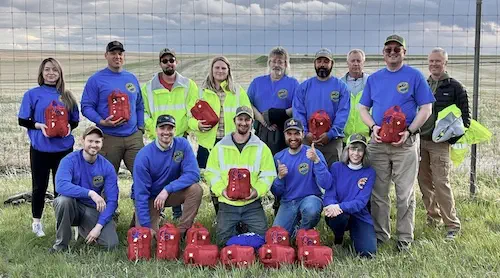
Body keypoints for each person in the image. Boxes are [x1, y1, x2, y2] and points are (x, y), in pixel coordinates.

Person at [358, 34, 435, 252]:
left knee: (405, 193)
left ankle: (404, 239)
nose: (392, 53)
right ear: (383, 54)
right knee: (379, 193)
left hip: (405, 143)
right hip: (379, 143)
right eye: (388, 49)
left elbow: (426, 108)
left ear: (404, 52)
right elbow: (363, 108)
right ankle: (381, 235)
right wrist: (373, 127)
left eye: (397, 49)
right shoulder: (374, 79)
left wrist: (410, 131)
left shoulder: (414, 76)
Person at [18, 57, 79, 237]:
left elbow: (74, 120)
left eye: (55, 70)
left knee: (62, 187)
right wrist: (39, 126)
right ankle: (37, 222)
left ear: (60, 74)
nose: (51, 73)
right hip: (40, 149)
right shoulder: (32, 94)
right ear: (41, 73)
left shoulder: (67, 95)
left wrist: (69, 127)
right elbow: (23, 120)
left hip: (64, 150)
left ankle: (67, 223)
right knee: (39, 186)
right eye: (47, 70)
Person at [205, 106, 277, 246]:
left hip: (252, 204)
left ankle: (242, 232)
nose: (243, 123)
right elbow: (211, 173)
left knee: (262, 241)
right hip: (227, 204)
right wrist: (222, 191)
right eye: (240, 119)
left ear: (252, 122)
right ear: (234, 120)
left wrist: (256, 191)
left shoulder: (261, 147)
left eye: (247, 120)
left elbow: (268, 175)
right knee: (223, 244)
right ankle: (239, 231)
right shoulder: (220, 147)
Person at [187, 56, 251, 214]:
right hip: (209, 143)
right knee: (214, 179)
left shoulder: (237, 91)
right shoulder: (200, 92)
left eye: (223, 68)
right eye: (217, 68)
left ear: (229, 71)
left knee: (233, 177)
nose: (220, 71)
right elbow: (188, 117)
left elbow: (249, 115)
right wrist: (197, 125)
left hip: (231, 142)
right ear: (211, 70)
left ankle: (235, 212)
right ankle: (220, 214)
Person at [418, 47, 470, 240]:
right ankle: (433, 219)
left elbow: (466, 119)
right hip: (420, 141)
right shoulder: (422, 84)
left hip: (440, 144)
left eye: (438, 61)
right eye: (431, 61)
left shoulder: (455, 87)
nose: (434, 64)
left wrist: (450, 139)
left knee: (441, 183)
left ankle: (452, 225)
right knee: (424, 183)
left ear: (445, 63)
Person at [141, 48, 199, 219]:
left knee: (181, 173)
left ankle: (177, 212)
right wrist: (154, 129)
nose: (169, 63)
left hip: (180, 137)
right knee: (158, 174)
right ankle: (157, 211)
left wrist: (191, 126)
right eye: (165, 61)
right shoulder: (148, 88)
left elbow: (193, 110)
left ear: (176, 62)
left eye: (171, 60)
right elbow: (143, 113)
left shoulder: (189, 85)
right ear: (160, 63)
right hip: (157, 139)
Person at [132, 114, 203, 237]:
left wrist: (167, 189)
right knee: (150, 240)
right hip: (149, 196)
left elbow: (193, 174)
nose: (166, 132)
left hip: (169, 193)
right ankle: (139, 220)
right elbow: (141, 194)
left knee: (196, 189)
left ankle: (182, 233)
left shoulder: (182, 145)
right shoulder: (144, 156)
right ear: (156, 130)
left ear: (174, 130)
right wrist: (146, 226)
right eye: (162, 128)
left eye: (170, 128)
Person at [81, 40, 145, 175]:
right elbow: (86, 107)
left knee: (143, 175)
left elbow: (139, 104)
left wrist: (140, 128)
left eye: (120, 53)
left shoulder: (131, 78)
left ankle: (139, 196)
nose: (117, 56)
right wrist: (101, 121)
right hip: (109, 137)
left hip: (134, 136)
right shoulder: (96, 79)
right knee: (106, 178)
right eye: (113, 53)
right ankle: (106, 197)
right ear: (106, 55)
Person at [51, 126, 119, 252]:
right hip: (72, 206)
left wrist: (98, 227)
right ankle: (61, 246)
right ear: (83, 141)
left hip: (91, 209)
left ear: (102, 143)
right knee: (63, 201)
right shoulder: (69, 160)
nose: (93, 145)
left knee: (111, 244)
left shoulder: (107, 167)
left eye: (97, 142)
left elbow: (112, 200)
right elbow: (61, 185)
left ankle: (85, 229)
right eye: (90, 141)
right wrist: (90, 193)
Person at [272, 118, 331, 237]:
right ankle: (294, 233)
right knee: (276, 236)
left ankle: (301, 234)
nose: (293, 137)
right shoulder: (278, 157)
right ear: (284, 135)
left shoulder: (314, 153)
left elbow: (327, 184)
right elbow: (276, 192)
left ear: (303, 134)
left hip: (310, 199)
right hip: (288, 202)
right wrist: (280, 177)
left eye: (297, 133)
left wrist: (317, 161)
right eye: (289, 134)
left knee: (311, 209)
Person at [293, 48, 350, 166]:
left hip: (332, 142)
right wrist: (305, 133)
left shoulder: (341, 87)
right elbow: (298, 112)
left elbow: (343, 114)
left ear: (332, 64)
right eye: (319, 61)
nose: (322, 65)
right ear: (314, 63)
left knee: (333, 176)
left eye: (326, 61)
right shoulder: (303, 87)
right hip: (309, 140)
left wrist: (330, 134)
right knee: (308, 176)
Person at [324, 134, 377, 258]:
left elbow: (361, 201)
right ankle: (338, 238)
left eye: (360, 150)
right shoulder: (336, 167)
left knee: (368, 253)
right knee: (339, 218)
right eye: (353, 149)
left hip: (359, 214)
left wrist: (340, 207)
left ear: (364, 153)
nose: (356, 153)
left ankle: (357, 233)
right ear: (347, 150)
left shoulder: (369, 172)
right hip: (338, 214)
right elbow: (329, 193)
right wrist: (332, 206)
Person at [248, 46, 299, 155]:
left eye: (280, 62)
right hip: (261, 130)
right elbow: (248, 104)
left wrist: (279, 114)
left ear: (286, 64)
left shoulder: (293, 84)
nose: (276, 65)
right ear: (269, 63)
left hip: (283, 131)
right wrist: (264, 120)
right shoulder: (257, 82)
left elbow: (298, 106)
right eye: (274, 61)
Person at [340, 49, 370, 143]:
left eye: (359, 61)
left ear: (363, 62)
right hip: (344, 139)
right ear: (347, 63)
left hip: (367, 139)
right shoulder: (339, 85)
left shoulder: (372, 83)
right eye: (353, 61)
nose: (356, 64)